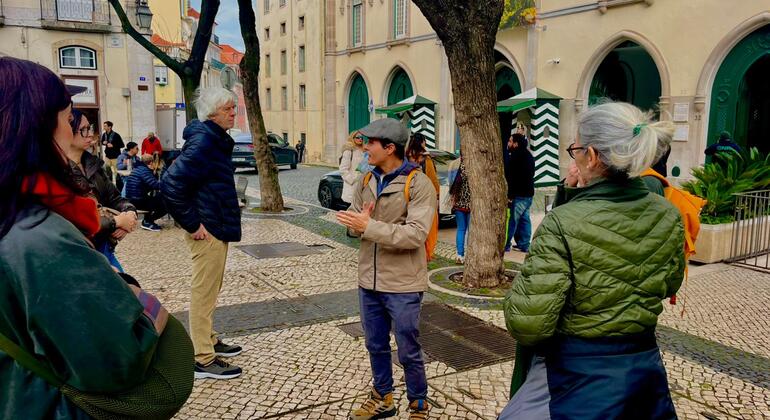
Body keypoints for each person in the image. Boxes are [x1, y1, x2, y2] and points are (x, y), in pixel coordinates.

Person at [0, 56, 169, 418]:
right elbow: (116, 356)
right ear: (36, 130)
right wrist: (145, 304)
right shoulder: (37, 237)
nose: (78, 128)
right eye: (67, 118)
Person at [501, 102, 684, 419]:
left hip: (576, 378)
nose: (574, 156)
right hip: (643, 375)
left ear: (593, 156)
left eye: (576, 149)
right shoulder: (668, 213)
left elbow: (528, 324)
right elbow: (670, 282)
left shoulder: (562, 223)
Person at [336, 118, 436, 420]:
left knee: (408, 348)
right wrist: (357, 225)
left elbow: (416, 234)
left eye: (371, 143)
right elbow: (356, 224)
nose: (365, 148)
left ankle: (418, 403)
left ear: (390, 148)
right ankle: (383, 397)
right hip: (369, 280)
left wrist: (369, 226)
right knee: (375, 344)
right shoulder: (365, 181)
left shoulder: (419, 184)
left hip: (403, 284)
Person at [161, 87, 244, 380]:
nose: (234, 113)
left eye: (234, 108)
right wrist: (193, 224)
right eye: (228, 109)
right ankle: (202, 358)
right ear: (212, 113)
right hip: (207, 229)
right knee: (204, 292)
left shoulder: (214, 139)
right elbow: (170, 183)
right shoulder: (205, 142)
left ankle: (208, 338)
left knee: (212, 288)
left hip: (216, 225)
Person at [67, 110, 138, 272]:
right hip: (82, 252)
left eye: (90, 128)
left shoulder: (95, 165)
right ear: (66, 132)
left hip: (104, 246)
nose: (90, 135)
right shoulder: (58, 171)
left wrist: (129, 213)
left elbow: (115, 198)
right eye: (83, 130)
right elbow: (74, 220)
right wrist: (116, 222)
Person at [504, 133, 535, 253]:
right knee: (524, 219)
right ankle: (524, 244)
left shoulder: (515, 157)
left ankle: (506, 244)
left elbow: (512, 178)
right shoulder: (529, 155)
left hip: (519, 195)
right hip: (528, 194)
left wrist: (510, 196)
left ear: (516, 144)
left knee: (512, 220)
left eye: (510, 141)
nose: (508, 143)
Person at [127, 154, 167, 232]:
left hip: (132, 199)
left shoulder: (137, 168)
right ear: (151, 163)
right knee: (166, 204)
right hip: (138, 200)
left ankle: (148, 220)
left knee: (156, 199)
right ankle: (148, 221)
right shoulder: (145, 171)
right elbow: (155, 185)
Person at [449, 155, 471, 264]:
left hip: (458, 203)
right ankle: (471, 256)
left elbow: (450, 183)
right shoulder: (474, 164)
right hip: (472, 205)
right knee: (471, 231)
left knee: (461, 230)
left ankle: (459, 255)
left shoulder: (455, 164)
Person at [339, 130, 366, 204]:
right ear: (352, 138)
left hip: (364, 184)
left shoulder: (364, 151)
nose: (360, 139)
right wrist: (352, 179)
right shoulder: (349, 151)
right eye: (358, 137)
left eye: (362, 137)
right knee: (352, 210)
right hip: (352, 186)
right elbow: (343, 169)